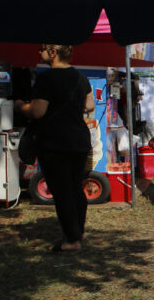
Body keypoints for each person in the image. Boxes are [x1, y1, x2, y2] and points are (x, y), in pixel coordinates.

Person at [16, 44, 95, 253]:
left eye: (42, 48)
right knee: (75, 186)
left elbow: (37, 111)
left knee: (62, 190)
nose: (39, 52)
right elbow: (89, 106)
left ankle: (72, 240)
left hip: (55, 140)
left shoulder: (47, 78)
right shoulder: (80, 77)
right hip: (79, 139)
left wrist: (20, 106)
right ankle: (79, 231)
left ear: (53, 52)